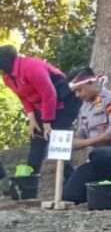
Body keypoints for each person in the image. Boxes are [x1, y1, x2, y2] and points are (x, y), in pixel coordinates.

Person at [0, 45, 83, 184]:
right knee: (36, 136)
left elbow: (48, 92)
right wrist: (32, 118)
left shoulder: (31, 67)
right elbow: (23, 97)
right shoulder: (8, 78)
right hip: (44, 105)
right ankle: (29, 181)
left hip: (65, 101)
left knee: (56, 136)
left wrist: (47, 121)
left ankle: (70, 178)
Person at [61, 69, 111, 204]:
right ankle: (100, 188)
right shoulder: (84, 108)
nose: (77, 95)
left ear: (90, 83)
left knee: (99, 154)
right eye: (75, 92)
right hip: (96, 162)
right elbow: (81, 134)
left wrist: (84, 144)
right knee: (70, 195)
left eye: (79, 90)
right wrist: (66, 143)